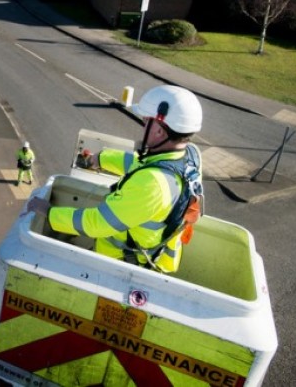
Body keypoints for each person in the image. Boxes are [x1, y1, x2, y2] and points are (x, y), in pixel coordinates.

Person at [26, 85, 203, 273]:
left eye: (145, 122)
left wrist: (50, 213)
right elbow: (139, 164)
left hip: (123, 266)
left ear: (159, 131)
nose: (142, 127)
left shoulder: (152, 184)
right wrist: (99, 159)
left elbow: (98, 223)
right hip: (145, 254)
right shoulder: (186, 156)